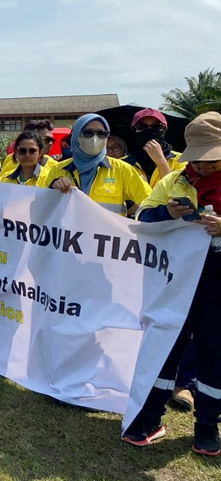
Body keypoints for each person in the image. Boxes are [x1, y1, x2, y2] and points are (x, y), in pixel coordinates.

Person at [121, 111, 221, 456]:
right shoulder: (175, 179)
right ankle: (149, 419)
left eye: (211, 159)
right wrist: (169, 214)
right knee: (165, 345)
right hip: (176, 284)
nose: (203, 166)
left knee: (213, 354)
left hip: (217, 286)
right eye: (199, 158)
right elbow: (141, 218)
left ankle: (207, 427)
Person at [43, 114, 151, 218]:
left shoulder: (122, 169)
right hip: (69, 236)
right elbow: (41, 208)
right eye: (88, 133)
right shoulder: (58, 169)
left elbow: (151, 202)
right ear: (76, 135)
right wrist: (53, 190)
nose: (95, 138)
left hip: (106, 236)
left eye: (101, 133)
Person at [123, 108, 185, 188]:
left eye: (156, 126)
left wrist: (161, 161)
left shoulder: (181, 160)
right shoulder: (122, 164)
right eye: (142, 127)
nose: (149, 131)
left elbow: (176, 191)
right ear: (134, 131)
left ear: (164, 130)